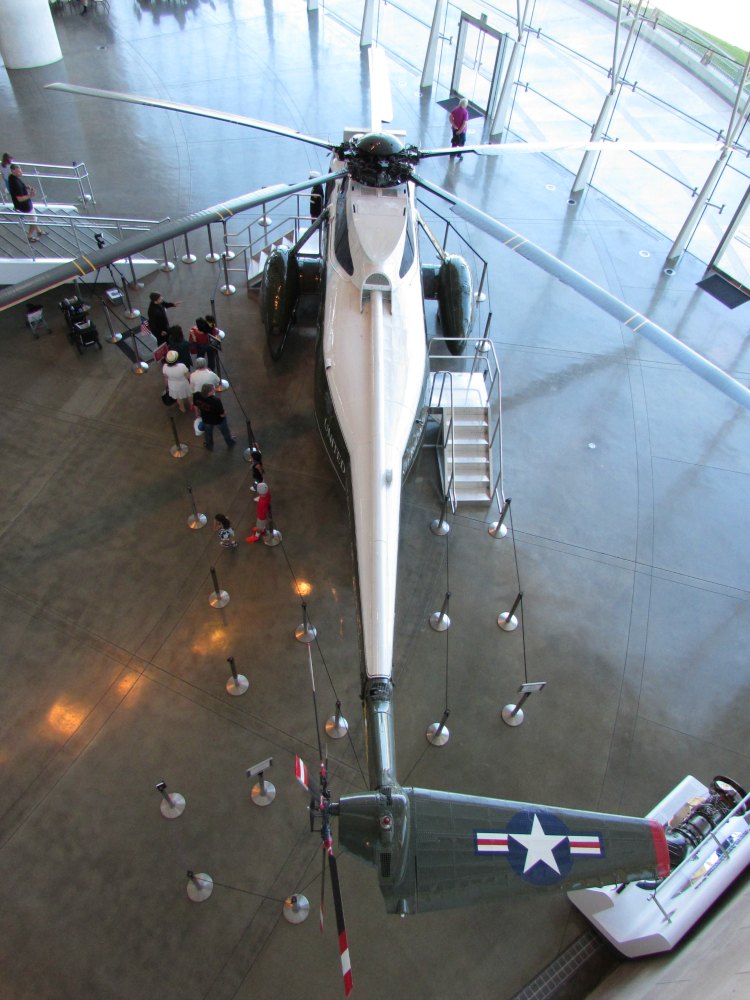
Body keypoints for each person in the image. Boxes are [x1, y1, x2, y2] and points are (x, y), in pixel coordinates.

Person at [8, 164, 45, 241]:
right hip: (25, 206)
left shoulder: (12, 177)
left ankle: (39, 231)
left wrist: (25, 187)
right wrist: (31, 195)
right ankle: (30, 236)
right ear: (13, 171)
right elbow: (20, 199)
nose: (21, 172)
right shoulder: (16, 183)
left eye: (20, 170)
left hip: (24, 204)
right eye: (19, 171)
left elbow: (18, 189)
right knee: (34, 220)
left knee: (33, 218)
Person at [193, 383, 236, 451]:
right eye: (213, 389)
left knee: (208, 434)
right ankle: (230, 442)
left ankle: (209, 446)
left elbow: (195, 406)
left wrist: (197, 414)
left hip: (206, 419)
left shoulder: (197, 395)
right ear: (209, 393)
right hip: (218, 421)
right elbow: (222, 414)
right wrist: (225, 413)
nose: (214, 389)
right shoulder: (216, 401)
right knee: (225, 432)